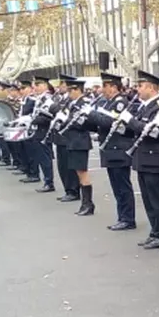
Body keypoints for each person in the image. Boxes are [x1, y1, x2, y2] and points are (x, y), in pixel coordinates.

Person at [85, 72, 138, 230]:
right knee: (116, 186)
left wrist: (92, 114)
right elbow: (99, 125)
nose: (102, 90)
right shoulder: (107, 103)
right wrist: (86, 120)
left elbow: (110, 122)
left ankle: (128, 218)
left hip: (118, 148)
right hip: (110, 148)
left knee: (122, 186)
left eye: (105, 86)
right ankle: (122, 216)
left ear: (114, 87)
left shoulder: (120, 102)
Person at [125, 71, 159, 248]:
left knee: (157, 198)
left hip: (154, 157)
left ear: (151, 88)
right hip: (142, 157)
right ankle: (154, 231)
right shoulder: (144, 105)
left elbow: (154, 133)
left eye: (141, 86)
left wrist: (130, 121)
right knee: (147, 198)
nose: (138, 89)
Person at [60, 77, 96, 216]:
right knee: (78, 172)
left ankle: (88, 203)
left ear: (77, 90)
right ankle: (85, 203)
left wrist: (67, 121)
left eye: (71, 90)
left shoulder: (83, 103)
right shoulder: (73, 103)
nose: (69, 93)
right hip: (73, 141)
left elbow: (83, 123)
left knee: (83, 173)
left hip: (80, 141)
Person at [52, 76, 81, 203]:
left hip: (67, 138)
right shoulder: (60, 98)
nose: (61, 87)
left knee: (69, 167)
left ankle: (73, 190)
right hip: (60, 137)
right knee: (62, 165)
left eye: (63, 85)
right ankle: (67, 189)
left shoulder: (71, 101)